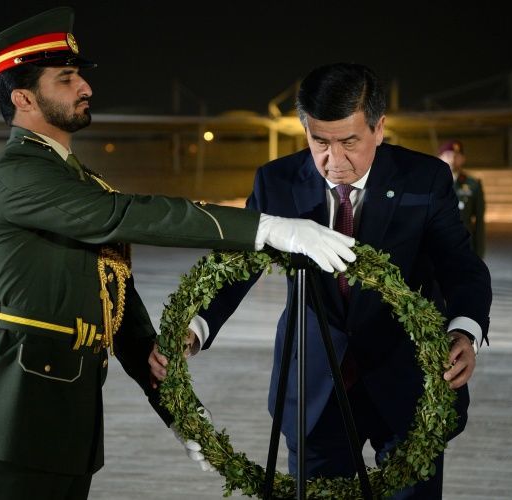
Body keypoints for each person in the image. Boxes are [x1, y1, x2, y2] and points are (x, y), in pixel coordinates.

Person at [0, 8, 357, 500]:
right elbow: (126, 214)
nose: (85, 87)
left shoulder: (73, 179)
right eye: (66, 79)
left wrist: (177, 410)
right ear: (23, 98)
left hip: (66, 425)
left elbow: (119, 310)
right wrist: (266, 228)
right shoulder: (19, 174)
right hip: (10, 418)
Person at [151, 63, 492, 498]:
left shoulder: (424, 179)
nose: (334, 161)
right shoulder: (276, 182)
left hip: (406, 383)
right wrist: (194, 327)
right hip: (315, 388)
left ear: (379, 128)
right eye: (320, 142)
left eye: (349, 142)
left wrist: (464, 329)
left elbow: (460, 266)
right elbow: (237, 266)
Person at [438, 140, 486, 258]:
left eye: (456, 155)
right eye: (448, 155)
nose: (452, 159)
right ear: (439, 158)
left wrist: (479, 253)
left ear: (463, 158)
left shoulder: (473, 184)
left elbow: (479, 222)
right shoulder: (430, 184)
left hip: (463, 247)